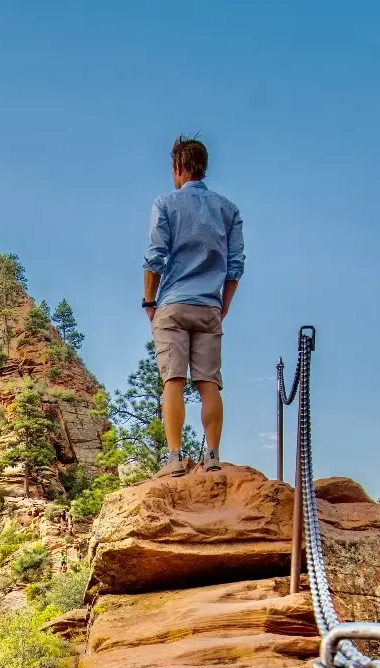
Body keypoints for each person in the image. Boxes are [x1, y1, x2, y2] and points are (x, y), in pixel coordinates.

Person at [142, 135, 244, 477]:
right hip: (209, 306)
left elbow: (155, 257)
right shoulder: (228, 210)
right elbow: (235, 266)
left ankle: (173, 459)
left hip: (172, 302)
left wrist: (149, 302)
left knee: (173, 379)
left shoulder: (166, 203)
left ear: (177, 167)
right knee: (208, 382)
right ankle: (212, 455)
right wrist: (222, 305)